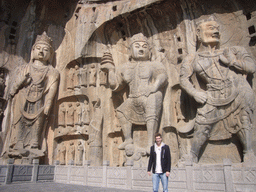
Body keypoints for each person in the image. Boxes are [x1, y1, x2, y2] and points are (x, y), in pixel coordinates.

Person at [180, 17, 256, 163]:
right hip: (212, 94)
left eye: (217, 28)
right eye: (210, 28)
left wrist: (233, 62)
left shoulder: (234, 51)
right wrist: (195, 92)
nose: (215, 31)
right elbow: (183, 79)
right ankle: (193, 155)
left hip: (237, 91)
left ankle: (248, 152)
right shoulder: (192, 58)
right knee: (202, 125)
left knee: (243, 120)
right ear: (198, 32)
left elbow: (252, 67)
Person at [101, 33, 168, 152]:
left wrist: (154, 87)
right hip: (133, 98)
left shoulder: (154, 64)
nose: (141, 49)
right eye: (137, 46)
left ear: (150, 51)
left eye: (144, 47)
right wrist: (110, 70)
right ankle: (128, 139)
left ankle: (150, 143)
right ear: (130, 51)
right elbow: (115, 86)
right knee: (122, 111)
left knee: (154, 98)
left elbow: (163, 76)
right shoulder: (125, 67)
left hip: (149, 95)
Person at [8, 32, 60, 153]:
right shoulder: (24, 68)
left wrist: (48, 103)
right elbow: (12, 90)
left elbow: (52, 88)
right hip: (23, 96)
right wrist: (22, 82)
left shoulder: (52, 72)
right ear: (33, 51)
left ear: (50, 54)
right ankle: (18, 142)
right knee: (20, 119)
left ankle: (35, 142)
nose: (41, 52)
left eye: (45, 50)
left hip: (39, 98)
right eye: (38, 48)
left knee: (39, 120)